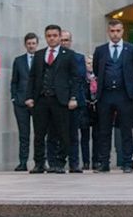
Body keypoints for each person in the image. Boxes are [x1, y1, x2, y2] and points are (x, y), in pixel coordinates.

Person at [25, 25, 81, 174]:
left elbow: (76, 78)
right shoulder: (39, 55)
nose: (52, 38)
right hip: (41, 99)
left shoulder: (68, 55)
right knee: (39, 133)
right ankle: (39, 163)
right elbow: (32, 77)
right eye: (49, 35)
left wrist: (73, 97)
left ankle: (59, 163)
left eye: (55, 35)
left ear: (59, 36)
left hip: (60, 99)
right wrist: (29, 96)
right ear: (45, 37)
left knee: (63, 132)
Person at [93, 19, 133, 173]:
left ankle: (127, 162)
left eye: (118, 31)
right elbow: (96, 69)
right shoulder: (100, 50)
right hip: (106, 94)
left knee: (126, 129)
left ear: (123, 31)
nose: (115, 34)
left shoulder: (132, 49)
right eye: (112, 31)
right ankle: (104, 162)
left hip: (125, 94)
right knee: (104, 130)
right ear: (108, 32)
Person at [10, 33, 39, 171]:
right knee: (24, 134)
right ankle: (23, 161)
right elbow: (14, 81)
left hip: (38, 102)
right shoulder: (19, 60)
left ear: (37, 44)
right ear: (25, 44)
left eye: (33, 43)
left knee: (40, 134)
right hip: (21, 102)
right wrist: (14, 98)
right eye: (29, 43)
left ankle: (40, 161)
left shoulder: (42, 58)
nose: (31, 46)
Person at [59, 30, 87, 173]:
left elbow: (80, 76)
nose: (64, 43)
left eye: (66, 40)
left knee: (73, 134)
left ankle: (74, 163)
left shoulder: (78, 57)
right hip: (58, 101)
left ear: (71, 41)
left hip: (75, 100)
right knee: (58, 134)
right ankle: (58, 162)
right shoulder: (53, 57)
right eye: (62, 40)